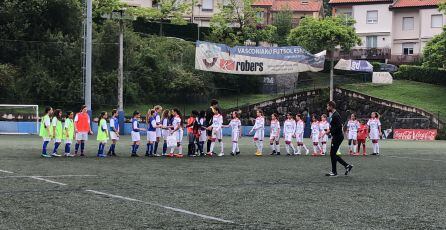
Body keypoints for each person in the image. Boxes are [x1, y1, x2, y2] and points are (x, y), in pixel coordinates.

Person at [325, 101, 353, 177]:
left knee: (332, 153)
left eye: (328, 106)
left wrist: (330, 131)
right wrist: (330, 131)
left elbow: (338, 127)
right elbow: (335, 126)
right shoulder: (334, 114)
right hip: (337, 136)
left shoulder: (335, 115)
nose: (327, 108)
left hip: (338, 136)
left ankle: (334, 172)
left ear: (331, 106)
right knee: (333, 153)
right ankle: (347, 166)